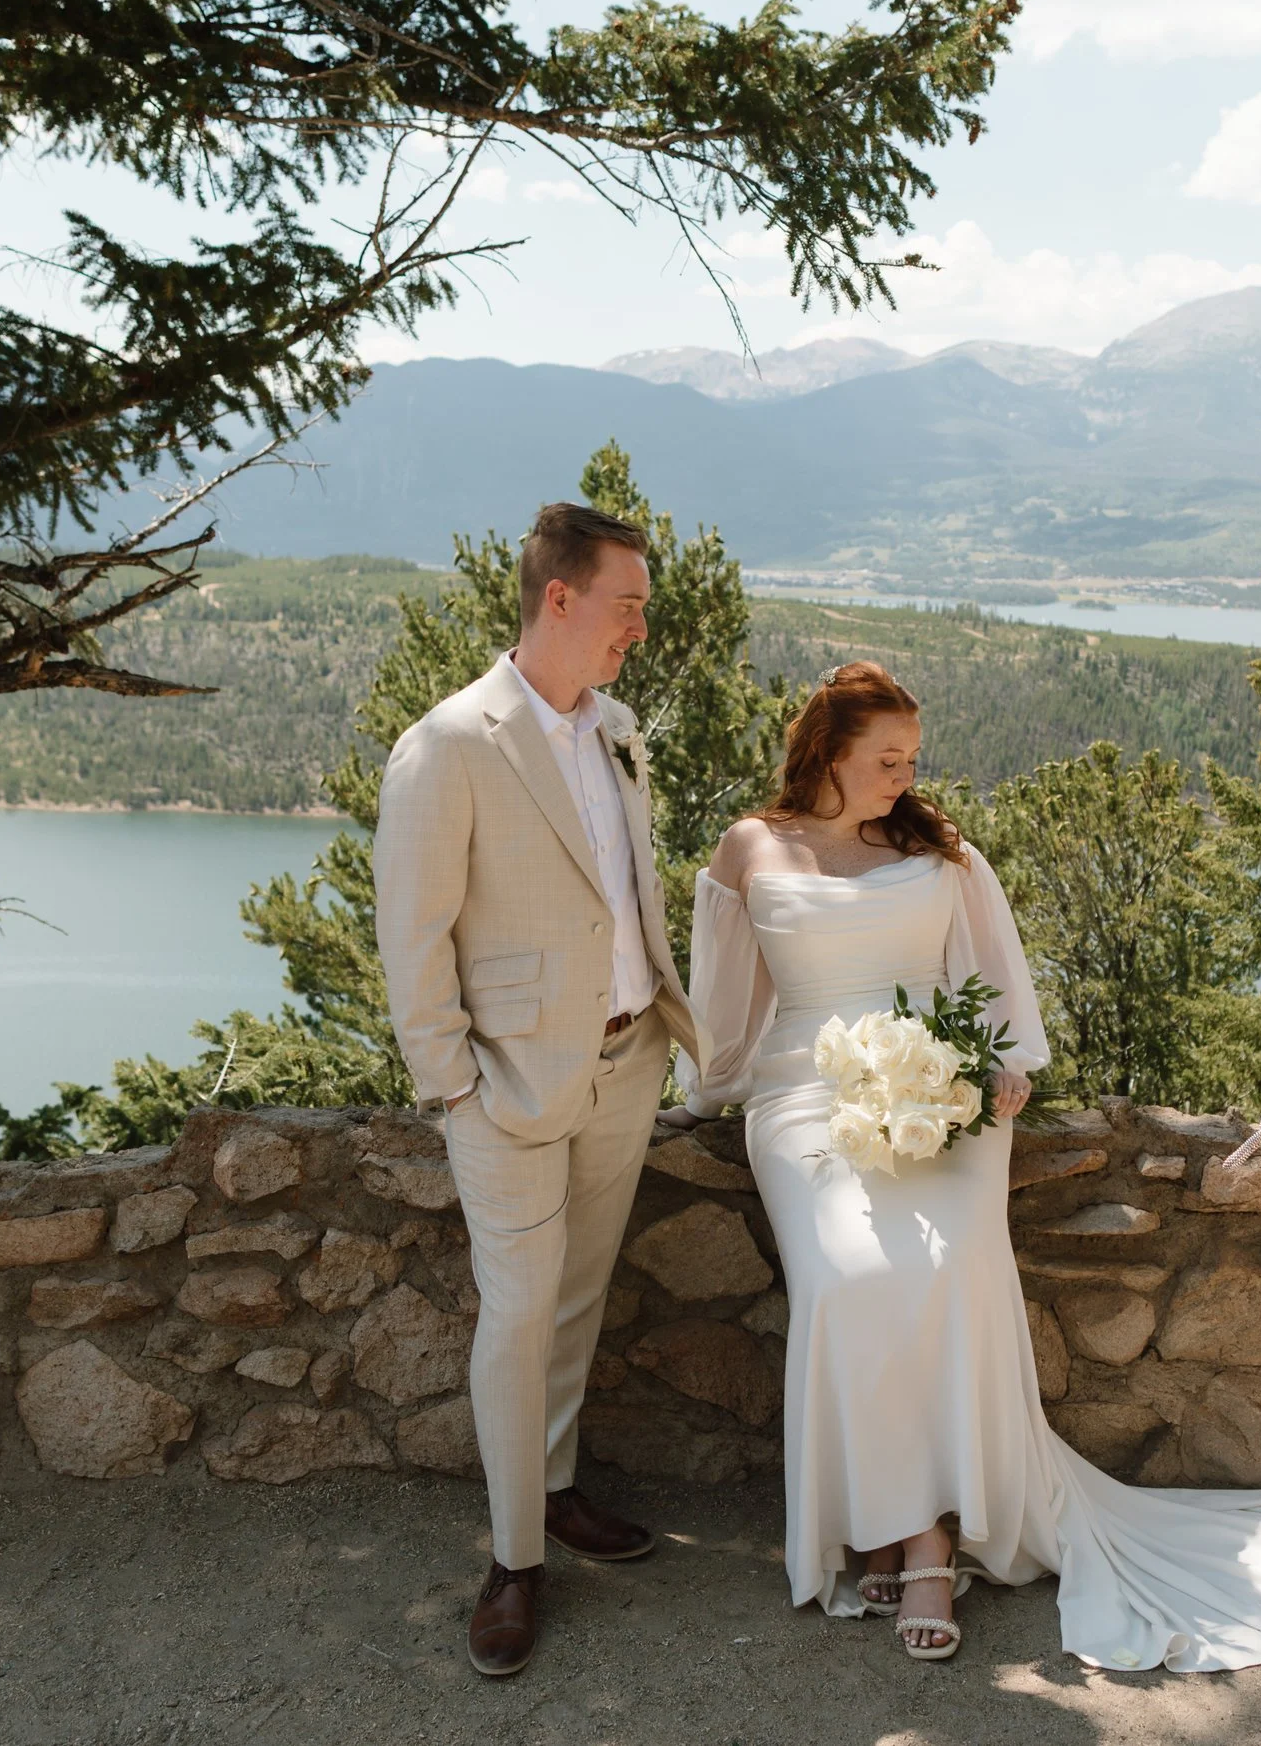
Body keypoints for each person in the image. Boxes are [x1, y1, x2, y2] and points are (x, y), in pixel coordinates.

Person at [661, 660, 1261, 1671]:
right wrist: (705, 1094)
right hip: (804, 1097)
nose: (903, 775)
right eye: (885, 758)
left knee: (949, 1269)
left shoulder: (939, 847)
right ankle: (875, 1514)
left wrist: (1000, 1070)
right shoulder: (750, 848)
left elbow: (995, 986)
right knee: (848, 1276)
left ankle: (925, 1540)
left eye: (912, 758)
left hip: (943, 1093)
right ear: (827, 753)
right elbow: (724, 1003)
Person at [375, 502, 698, 1678]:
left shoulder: (617, 728)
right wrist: (453, 1087)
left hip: (624, 1063)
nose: (640, 629)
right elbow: (412, 937)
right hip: (504, 1087)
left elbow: (625, 890)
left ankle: (556, 1492)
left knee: (575, 1301)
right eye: (628, 604)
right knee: (516, 1316)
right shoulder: (449, 743)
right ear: (558, 598)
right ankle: (513, 1561)